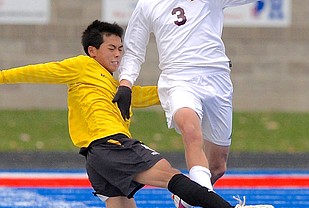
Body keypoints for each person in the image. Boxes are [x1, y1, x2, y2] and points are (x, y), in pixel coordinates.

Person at [0, 20, 274, 208]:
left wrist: (194, 79)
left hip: (96, 157)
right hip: (112, 144)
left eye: (121, 49)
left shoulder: (112, 83)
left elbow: (145, 94)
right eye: (112, 48)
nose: (118, 55)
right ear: (92, 51)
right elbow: (37, 71)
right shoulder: (82, 66)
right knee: (171, 176)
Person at [114, 0, 305, 207]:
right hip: (179, 79)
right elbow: (134, 50)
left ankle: (186, 198)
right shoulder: (149, 2)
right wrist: (125, 84)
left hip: (217, 79)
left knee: (217, 166)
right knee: (191, 132)